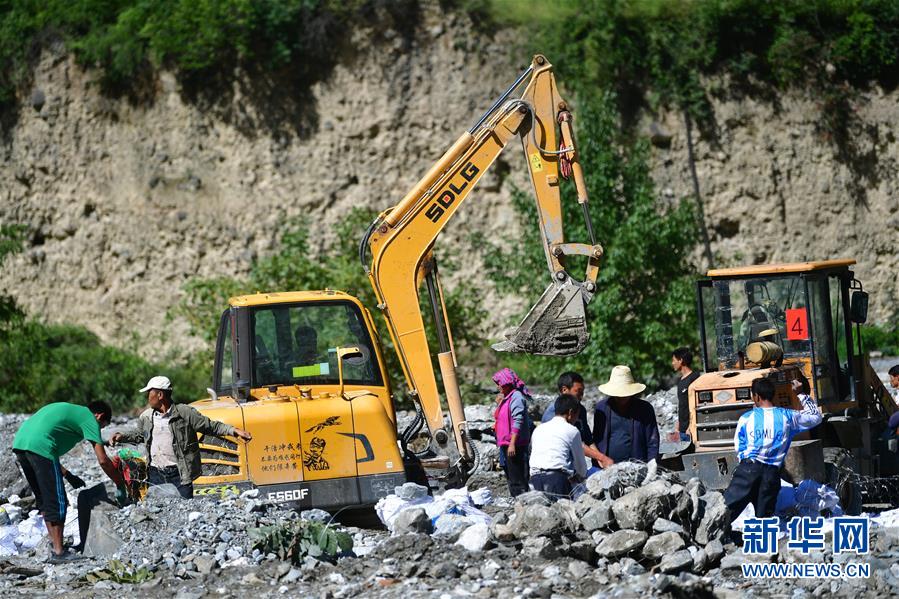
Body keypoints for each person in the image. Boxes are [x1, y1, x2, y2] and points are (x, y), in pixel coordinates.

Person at [12, 401, 126, 563]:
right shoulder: (89, 418)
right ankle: (59, 552)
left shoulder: (75, 413)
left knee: (44, 499)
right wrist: (120, 483)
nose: (98, 430)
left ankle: (55, 546)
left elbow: (42, 448)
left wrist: (67, 474)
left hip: (21, 443)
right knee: (58, 501)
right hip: (40, 445)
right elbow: (103, 460)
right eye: (102, 426)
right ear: (99, 416)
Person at [111, 376, 252, 499]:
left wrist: (233, 430)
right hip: (155, 473)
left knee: (184, 507)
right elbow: (140, 435)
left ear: (160, 395)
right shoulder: (147, 417)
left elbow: (209, 426)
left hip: (179, 474)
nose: (148, 397)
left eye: (149, 393)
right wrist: (122, 437)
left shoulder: (184, 413)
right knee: (161, 510)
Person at [723, 376, 822, 519]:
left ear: (756, 396)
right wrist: (800, 393)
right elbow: (815, 417)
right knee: (764, 520)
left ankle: (716, 538)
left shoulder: (746, 418)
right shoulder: (787, 416)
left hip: (748, 470)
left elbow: (739, 446)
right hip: (772, 475)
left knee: (725, 512)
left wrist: (744, 466)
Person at [542, 371, 613, 468]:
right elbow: (572, 442)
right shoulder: (553, 413)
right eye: (578, 392)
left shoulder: (580, 410)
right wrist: (601, 457)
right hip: (555, 466)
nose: (581, 396)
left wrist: (600, 460)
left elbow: (588, 439)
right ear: (564, 390)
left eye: (582, 393)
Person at [592, 365, 660, 464]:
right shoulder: (601, 408)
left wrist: (652, 461)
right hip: (607, 467)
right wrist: (598, 459)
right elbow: (597, 438)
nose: (621, 397)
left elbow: (652, 439)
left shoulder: (645, 409)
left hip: (637, 465)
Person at [530, 394, 588, 499]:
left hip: (534, 480)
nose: (576, 420)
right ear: (570, 413)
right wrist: (580, 477)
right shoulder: (572, 430)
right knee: (560, 513)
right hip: (556, 480)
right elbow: (581, 466)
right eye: (577, 416)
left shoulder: (539, 429)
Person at [493, 367, 532, 497]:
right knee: (511, 475)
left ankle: (522, 500)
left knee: (518, 477)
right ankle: (516, 501)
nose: (498, 387)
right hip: (506, 444)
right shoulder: (507, 397)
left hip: (515, 445)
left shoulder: (516, 397)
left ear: (506, 384)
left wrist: (512, 443)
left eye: (499, 384)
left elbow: (518, 420)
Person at [671, 347, 700, 441]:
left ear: (681, 360)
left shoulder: (694, 378)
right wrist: (677, 427)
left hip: (691, 430)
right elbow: (682, 405)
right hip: (683, 430)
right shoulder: (680, 381)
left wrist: (690, 427)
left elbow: (696, 405)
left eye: (674, 360)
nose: (672, 363)